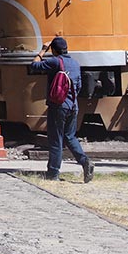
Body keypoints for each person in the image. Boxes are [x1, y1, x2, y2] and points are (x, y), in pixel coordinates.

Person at [30, 36, 94, 182]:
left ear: (53, 50)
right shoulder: (75, 63)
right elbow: (78, 86)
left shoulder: (55, 61)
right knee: (70, 136)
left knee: (56, 139)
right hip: (73, 105)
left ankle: (53, 172)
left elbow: (34, 65)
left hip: (58, 106)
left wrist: (42, 50)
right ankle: (85, 162)